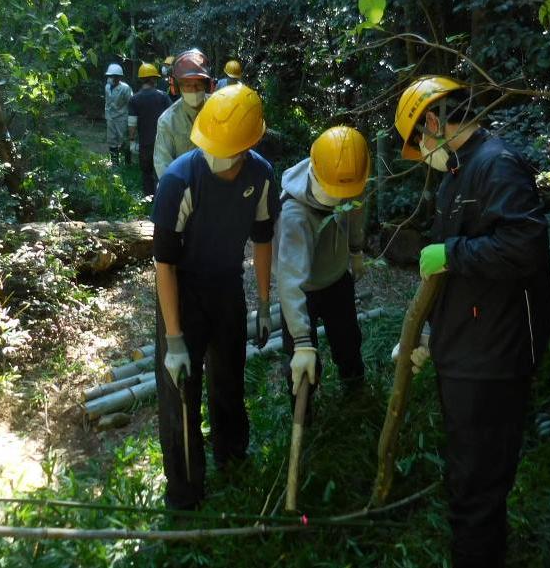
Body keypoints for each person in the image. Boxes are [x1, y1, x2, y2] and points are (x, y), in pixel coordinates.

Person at [394, 75, 550, 568]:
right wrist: (430, 338)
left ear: (434, 122)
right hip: (465, 348)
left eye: (419, 136)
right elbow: (455, 278)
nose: (422, 148)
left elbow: (523, 248)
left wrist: (453, 251)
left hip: (495, 356)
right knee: (467, 474)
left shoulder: (497, 166)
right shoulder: (456, 174)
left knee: (478, 483)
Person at [151, 82, 279, 510]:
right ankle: (185, 494)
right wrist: (173, 340)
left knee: (229, 381)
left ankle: (233, 457)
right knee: (180, 394)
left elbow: (263, 240)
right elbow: (164, 264)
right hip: (183, 294)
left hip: (227, 287)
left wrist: (263, 303)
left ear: (247, 146)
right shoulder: (178, 182)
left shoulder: (260, 175)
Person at [274, 126, 370, 414]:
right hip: (304, 291)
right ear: (316, 175)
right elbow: (290, 281)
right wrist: (302, 341)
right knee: (303, 365)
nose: (343, 197)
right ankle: (304, 416)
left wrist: (355, 251)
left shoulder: (352, 177)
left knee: (348, 342)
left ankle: (357, 399)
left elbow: (355, 214)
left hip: (337, 279)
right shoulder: (295, 215)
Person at [154, 48, 211, 179]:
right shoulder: (167, 121)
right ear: (177, 87)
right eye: (187, 85)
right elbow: (163, 164)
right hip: (184, 186)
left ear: (207, 85)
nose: (193, 89)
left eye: (198, 84)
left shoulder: (218, 109)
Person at [128, 63, 172, 196]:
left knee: (146, 173)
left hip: (144, 143)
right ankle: (162, 198)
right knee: (161, 173)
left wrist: (131, 141)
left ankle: (148, 199)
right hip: (162, 142)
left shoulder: (134, 99)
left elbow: (132, 123)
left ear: (141, 79)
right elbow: (172, 117)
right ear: (153, 79)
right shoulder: (163, 96)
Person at [104, 63, 133, 165]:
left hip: (122, 118)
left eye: (115, 76)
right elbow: (107, 102)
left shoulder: (126, 88)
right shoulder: (107, 87)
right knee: (111, 140)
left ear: (119, 77)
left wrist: (131, 119)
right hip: (110, 117)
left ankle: (127, 163)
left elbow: (130, 103)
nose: (112, 78)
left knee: (124, 140)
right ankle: (114, 163)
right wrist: (107, 115)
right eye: (111, 76)